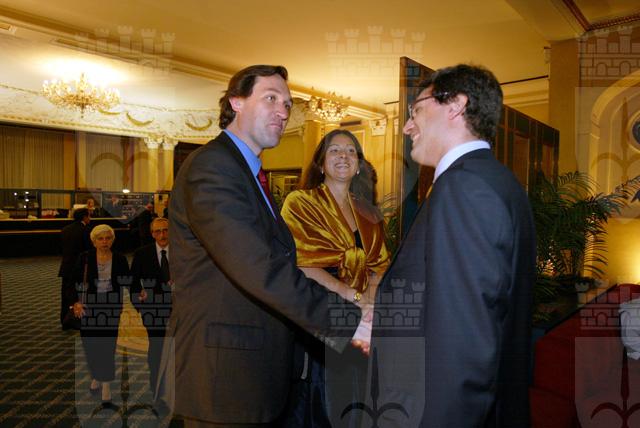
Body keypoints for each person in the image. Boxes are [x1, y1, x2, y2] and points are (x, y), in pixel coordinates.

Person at [159, 65, 364, 427]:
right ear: (236, 102)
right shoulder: (213, 166)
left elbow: (281, 260)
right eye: (271, 98)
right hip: (223, 374)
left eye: (287, 104)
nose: (283, 112)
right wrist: (346, 321)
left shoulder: (246, 172)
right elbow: (257, 265)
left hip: (251, 368)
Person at [355, 64, 536, 427]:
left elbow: (462, 342)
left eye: (416, 110)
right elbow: (457, 305)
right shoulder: (499, 181)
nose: (407, 127)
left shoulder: (463, 188)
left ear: (455, 105)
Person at [280, 129, 389, 427]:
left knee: (357, 401)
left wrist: (369, 303)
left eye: (351, 151)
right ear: (320, 163)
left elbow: (379, 266)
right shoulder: (300, 202)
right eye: (335, 150)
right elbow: (300, 263)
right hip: (319, 311)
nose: (344, 156)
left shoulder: (368, 212)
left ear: (359, 164)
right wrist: (354, 297)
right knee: (320, 405)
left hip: (360, 320)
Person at [70, 224, 131, 404]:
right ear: (94, 241)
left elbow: (128, 280)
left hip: (111, 305)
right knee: (90, 344)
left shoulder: (119, 258)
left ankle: (106, 384)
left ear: (112, 240)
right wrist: (75, 302)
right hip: (88, 305)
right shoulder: (84, 258)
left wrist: (140, 293)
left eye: (108, 238)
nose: (104, 242)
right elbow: (72, 281)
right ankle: (96, 375)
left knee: (107, 344)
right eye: (100, 238)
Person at [130, 217, 172, 395]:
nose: (162, 235)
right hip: (153, 311)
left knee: (180, 349)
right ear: (152, 234)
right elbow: (133, 283)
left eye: (165, 230)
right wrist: (140, 306)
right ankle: (157, 387)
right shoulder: (142, 254)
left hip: (181, 311)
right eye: (158, 231)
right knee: (157, 349)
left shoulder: (184, 251)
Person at [58, 207, 91, 329]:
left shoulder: (65, 229)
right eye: (89, 216)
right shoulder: (86, 230)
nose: (90, 218)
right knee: (79, 295)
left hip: (66, 266)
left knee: (66, 295)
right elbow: (88, 250)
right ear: (85, 217)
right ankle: (77, 320)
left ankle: (65, 320)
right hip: (80, 267)